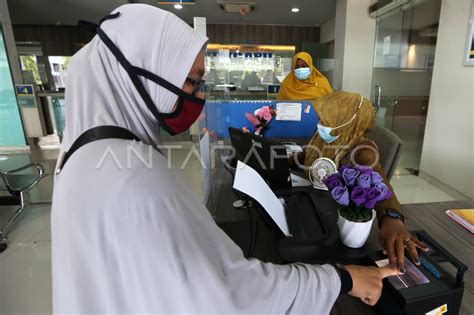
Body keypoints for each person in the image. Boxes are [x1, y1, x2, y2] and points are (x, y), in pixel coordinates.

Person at [51, 5, 397, 314]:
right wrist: (340, 280)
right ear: (140, 72)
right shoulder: (134, 175)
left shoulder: (83, 155)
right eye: (192, 82)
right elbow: (228, 292)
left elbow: (373, 173)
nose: (198, 96)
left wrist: (392, 216)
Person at [290, 91, 429, 274]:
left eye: (327, 120)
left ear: (346, 121)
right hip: (316, 203)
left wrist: (391, 217)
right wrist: (277, 158)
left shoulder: (363, 151)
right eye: (321, 119)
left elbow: (379, 181)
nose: (321, 125)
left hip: (338, 222)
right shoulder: (327, 136)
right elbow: (307, 155)